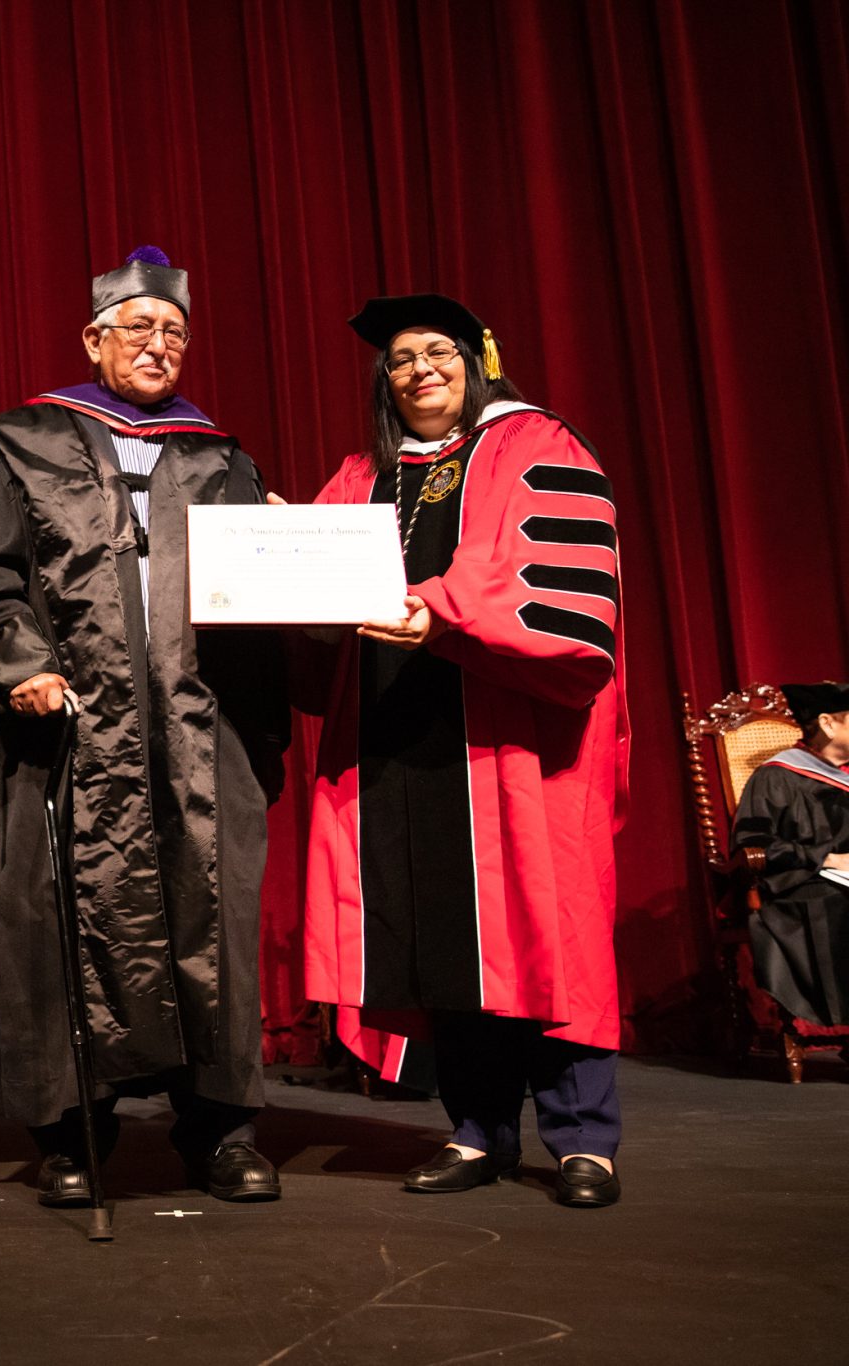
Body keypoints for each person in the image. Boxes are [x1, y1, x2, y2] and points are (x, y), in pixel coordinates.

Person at [0, 247, 290, 1206]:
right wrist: (20, 663)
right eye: (139, 327)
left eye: (174, 331)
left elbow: (260, 594)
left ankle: (220, 1130)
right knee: (60, 918)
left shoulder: (219, 457)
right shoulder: (20, 442)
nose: (158, 345)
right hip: (66, 728)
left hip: (197, 728)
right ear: (93, 339)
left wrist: (292, 557)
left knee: (208, 918)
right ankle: (71, 1134)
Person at [299, 293, 630, 1208]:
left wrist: (440, 609)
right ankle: (478, 1129)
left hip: (511, 738)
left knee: (545, 931)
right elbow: (313, 583)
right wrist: (283, 555)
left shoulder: (534, 444)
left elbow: (538, 571)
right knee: (441, 933)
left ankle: (582, 1139)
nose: (420, 370)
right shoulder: (363, 474)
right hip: (397, 736)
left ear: (477, 360)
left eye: (437, 351)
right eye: (401, 359)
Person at [732, 681, 849, 1026]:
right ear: (828, 723)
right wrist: (827, 859)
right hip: (802, 887)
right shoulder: (776, 777)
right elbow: (754, 845)